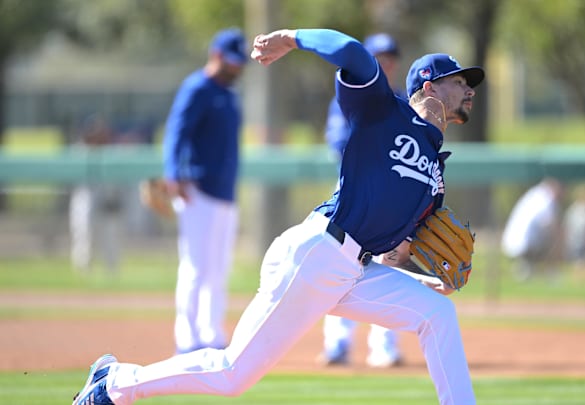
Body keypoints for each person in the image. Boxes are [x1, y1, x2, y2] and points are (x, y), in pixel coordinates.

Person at [71, 27, 484, 405]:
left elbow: (395, 246)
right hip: (317, 253)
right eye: (461, 82)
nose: (470, 91)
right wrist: (291, 38)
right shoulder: (384, 110)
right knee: (232, 375)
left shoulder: (435, 168)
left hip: (352, 270)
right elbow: (352, 52)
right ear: (429, 85)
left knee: (437, 313)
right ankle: (114, 382)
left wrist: (416, 277)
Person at [320, 32, 405, 368]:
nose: (386, 63)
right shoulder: (350, 97)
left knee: (390, 268)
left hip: (392, 198)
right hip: (355, 195)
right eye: (379, 57)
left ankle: (383, 346)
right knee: (342, 266)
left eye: (390, 57)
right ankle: (338, 343)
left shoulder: (402, 100)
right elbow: (341, 144)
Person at [162, 28, 247, 354]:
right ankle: (187, 337)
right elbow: (176, 131)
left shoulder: (228, 94)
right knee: (196, 266)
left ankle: (211, 335)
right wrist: (173, 173)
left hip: (225, 192)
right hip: (197, 191)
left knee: (219, 267)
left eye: (239, 62)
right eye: (232, 60)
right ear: (216, 54)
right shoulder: (197, 87)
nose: (236, 67)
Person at [68, 114, 123, 274]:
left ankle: (112, 272)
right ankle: (83, 272)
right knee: (84, 236)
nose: (99, 134)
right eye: (94, 131)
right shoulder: (79, 151)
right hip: (86, 197)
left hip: (108, 200)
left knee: (111, 239)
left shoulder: (112, 152)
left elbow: (118, 182)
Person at [501, 177, 564, 281]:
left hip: (513, 243)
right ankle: (550, 272)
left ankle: (528, 268)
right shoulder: (546, 199)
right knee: (554, 238)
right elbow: (551, 226)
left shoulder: (536, 195)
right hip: (524, 245)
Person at [564, 185, 585, 279]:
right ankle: (581, 277)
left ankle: (582, 277)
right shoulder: (582, 209)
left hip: (579, 238)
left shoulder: (575, 209)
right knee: (581, 259)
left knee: (582, 258)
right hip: (579, 238)